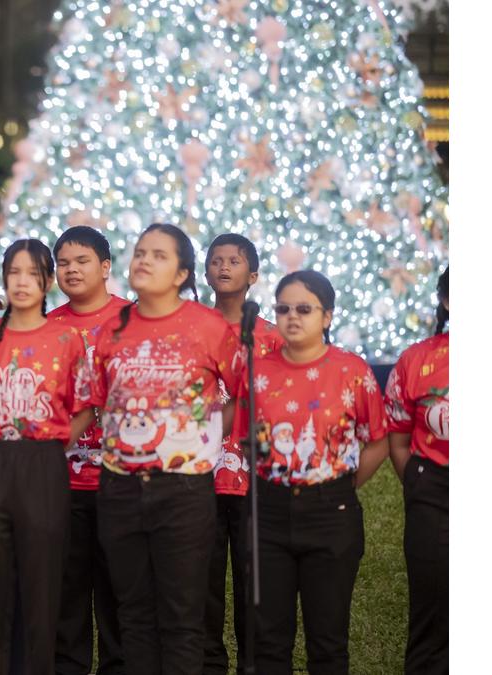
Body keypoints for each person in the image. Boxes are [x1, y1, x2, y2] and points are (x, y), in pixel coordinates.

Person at [90, 223, 242, 674]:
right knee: (134, 616)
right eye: (140, 252)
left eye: (158, 255)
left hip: (184, 491)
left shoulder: (210, 327)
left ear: (181, 274)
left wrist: (205, 439)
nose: (144, 260)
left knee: (181, 619)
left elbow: (244, 393)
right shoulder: (112, 329)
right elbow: (99, 400)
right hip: (119, 489)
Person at [236, 270, 390, 675]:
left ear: (327, 316)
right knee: (269, 642)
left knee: (328, 641)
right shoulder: (257, 371)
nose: (292, 317)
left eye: (304, 309)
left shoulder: (351, 370)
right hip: (268, 513)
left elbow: (377, 441)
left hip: (331, 512)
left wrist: (340, 485)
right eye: (283, 308)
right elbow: (248, 440)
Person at [0, 238, 95, 675]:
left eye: (32, 274)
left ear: (47, 281)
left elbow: (86, 405)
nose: (21, 282)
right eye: (13, 273)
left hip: (44, 466)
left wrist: (56, 443)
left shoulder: (66, 338)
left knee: (42, 589)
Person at [46, 226, 128, 675]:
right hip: (61, 483)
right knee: (66, 594)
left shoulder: (132, 320)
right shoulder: (48, 328)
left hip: (121, 481)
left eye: (82, 261)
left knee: (121, 594)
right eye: (63, 263)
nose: (71, 270)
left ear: (105, 267)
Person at [201, 232, 283, 674]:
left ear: (253, 275)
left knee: (256, 590)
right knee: (203, 588)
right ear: (205, 271)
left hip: (255, 482)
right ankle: (209, 665)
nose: (224, 267)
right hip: (199, 479)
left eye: (234, 261)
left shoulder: (272, 337)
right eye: (216, 260)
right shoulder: (193, 330)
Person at [385, 267, 448, 674]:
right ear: (447, 301)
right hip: (434, 489)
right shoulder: (418, 359)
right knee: (432, 604)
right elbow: (397, 436)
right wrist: (418, 482)